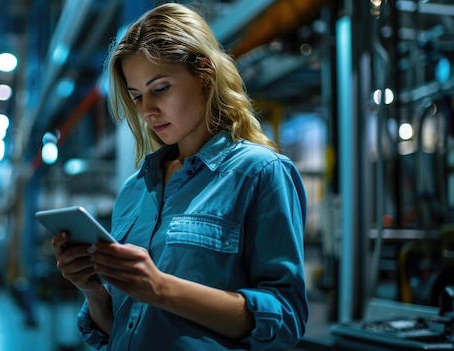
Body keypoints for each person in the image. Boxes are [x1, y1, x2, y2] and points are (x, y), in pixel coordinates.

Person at [51, 3, 308, 350]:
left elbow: (286, 319)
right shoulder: (136, 190)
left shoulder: (260, 173)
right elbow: (122, 330)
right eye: (137, 96)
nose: (147, 111)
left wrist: (162, 288)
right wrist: (92, 289)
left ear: (205, 74)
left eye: (161, 88)